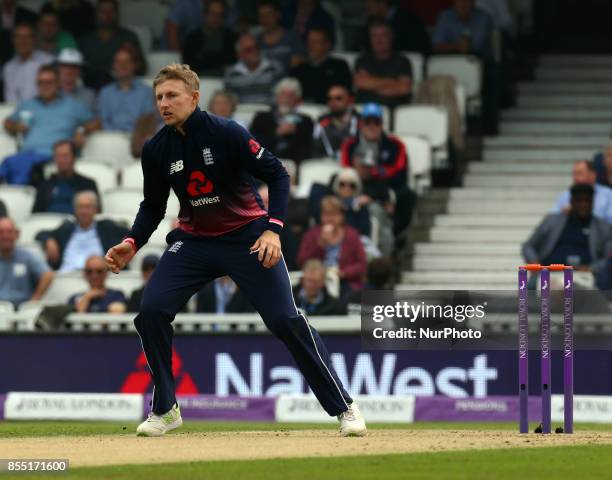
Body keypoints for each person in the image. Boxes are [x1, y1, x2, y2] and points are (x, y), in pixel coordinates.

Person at [103, 63, 365, 437]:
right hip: (194, 242)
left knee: (284, 320)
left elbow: (277, 174)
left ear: (194, 97)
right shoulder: (156, 148)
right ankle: (165, 408)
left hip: (247, 237)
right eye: (159, 97)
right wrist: (132, 242)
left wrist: (273, 230)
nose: (164, 103)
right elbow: (152, 207)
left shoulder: (226, 133)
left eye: (172, 95)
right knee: (150, 312)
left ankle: (345, 407)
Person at [2, 65, 97, 185]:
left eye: (49, 82)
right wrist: (16, 127)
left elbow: (96, 122)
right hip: (27, 157)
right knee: (9, 163)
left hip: (57, 158)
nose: (44, 86)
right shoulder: (27, 105)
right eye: (40, 82)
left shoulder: (73, 106)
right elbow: (7, 122)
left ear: (58, 83)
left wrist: (82, 130)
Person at [340, 102, 414, 235]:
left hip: (385, 186)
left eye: (377, 122)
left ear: (382, 124)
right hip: (356, 187)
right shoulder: (350, 145)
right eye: (368, 122)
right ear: (361, 124)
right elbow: (346, 171)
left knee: (406, 193)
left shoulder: (396, 145)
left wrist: (372, 171)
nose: (372, 126)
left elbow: (400, 175)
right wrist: (362, 173)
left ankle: (397, 235)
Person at [523, 184, 611, 289]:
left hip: (584, 276)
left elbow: (608, 258)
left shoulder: (602, 227)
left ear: (592, 203)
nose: (583, 205)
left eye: (587, 201)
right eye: (579, 201)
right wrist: (534, 262)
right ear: (572, 202)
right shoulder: (553, 221)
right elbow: (528, 246)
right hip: (550, 273)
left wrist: (591, 268)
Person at [40, 191, 128, 271]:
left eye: (88, 207)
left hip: (97, 276)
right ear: (74, 210)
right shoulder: (66, 229)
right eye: (80, 207)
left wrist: (124, 243)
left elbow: (129, 232)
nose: (84, 211)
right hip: (67, 275)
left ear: (95, 210)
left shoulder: (106, 227)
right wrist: (49, 240)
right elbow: (41, 234)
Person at [298, 195, 367, 292]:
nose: (330, 219)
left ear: (342, 216)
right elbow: (302, 261)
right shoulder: (312, 235)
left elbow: (361, 264)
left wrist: (344, 273)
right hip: (317, 281)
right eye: (326, 214)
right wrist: (320, 245)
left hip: (345, 281)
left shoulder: (352, 235)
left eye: (334, 215)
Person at [78, 0, 145, 89]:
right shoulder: (85, 40)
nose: (107, 15)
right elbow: (78, 70)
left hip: (121, 86)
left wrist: (131, 56)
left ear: (117, 13)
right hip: (91, 87)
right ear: (96, 14)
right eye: (103, 11)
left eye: (111, 11)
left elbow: (142, 69)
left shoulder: (128, 37)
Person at [250, 77, 314, 163]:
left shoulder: (306, 121)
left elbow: (308, 150)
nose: (286, 99)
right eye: (283, 94)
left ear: (297, 100)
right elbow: (253, 145)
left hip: (294, 165)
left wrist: (296, 132)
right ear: (277, 97)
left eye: (291, 95)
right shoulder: (261, 118)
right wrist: (276, 134)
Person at [354, 19, 413, 109]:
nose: (379, 39)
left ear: (391, 37)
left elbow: (404, 88)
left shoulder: (402, 61)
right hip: (365, 109)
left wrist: (371, 84)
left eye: (383, 35)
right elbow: (361, 82)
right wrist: (393, 82)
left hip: (394, 110)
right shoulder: (362, 60)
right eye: (375, 35)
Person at [97, 47, 155, 133]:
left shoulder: (147, 92)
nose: (122, 65)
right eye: (118, 62)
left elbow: (148, 120)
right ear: (113, 65)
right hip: (110, 137)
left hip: (137, 138)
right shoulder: (105, 92)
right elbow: (102, 121)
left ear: (134, 65)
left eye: (127, 61)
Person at [32, 140, 99, 214]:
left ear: (74, 158)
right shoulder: (45, 186)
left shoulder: (88, 185)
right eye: (58, 156)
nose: (61, 160)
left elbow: (95, 214)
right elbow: (36, 214)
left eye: (65, 156)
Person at [0, 216, 54, 307]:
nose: (5, 236)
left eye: (9, 232)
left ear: (17, 234)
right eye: (1, 232)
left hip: (22, 310)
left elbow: (48, 275)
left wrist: (34, 300)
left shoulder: (27, 256)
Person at [290, 27, 352, 104]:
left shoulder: (339, 66)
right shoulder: (299, 68)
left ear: (327, 45)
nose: (311, 46)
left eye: (316, 41)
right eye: (309, 41)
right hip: (303, 109)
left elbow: (344, 93)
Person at [224, 33, 283, 104]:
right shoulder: (231, 73)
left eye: (256, 47)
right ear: (239, 54)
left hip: (268, 111)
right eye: (249, 49)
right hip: (241, 112)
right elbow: (231, 100)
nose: (255, 51)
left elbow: (279, 96)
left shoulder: (275, 68)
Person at [181, 0, 236, 77]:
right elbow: (188, 68)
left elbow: (232, 65)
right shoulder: (192, 39)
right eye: (213, 14)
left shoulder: (231, 38)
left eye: (220, 15)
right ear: (205, 14)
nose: (217, 18)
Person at [2, 23, 55, 103]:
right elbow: (10, 98)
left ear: (34, 39)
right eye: (19, 37)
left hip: (45, 111)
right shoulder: (8, 68)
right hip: (18, 112)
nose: (23, 41)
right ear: (13, 40)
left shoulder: (48, 61)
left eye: (28, 36)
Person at [355, 0, 431, 54]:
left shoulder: (408, 19)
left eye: (369, 3)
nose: (366, 6)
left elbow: (420, 48)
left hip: (406, 64)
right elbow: (359, 45)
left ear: (382, 3)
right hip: (378, 63)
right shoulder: (371, 20)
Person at [312, 84, 360, 159]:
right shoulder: (321, 122)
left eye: (338, 98)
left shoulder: (360, 121)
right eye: (329, 98)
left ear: (349, 100)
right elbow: (315, 149)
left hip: (353, 164)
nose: (333, 102)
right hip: (327, 164)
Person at [256, 0, 303, 74]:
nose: (265, 18)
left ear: (278, 14)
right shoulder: (255, 41)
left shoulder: (292, 38)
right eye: (261, 15)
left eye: (269, 14)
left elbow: (297, 69)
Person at [56, 48, 96, 112]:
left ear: (80, 71)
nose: (69, 70)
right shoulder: (50, 94)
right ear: (58, 68)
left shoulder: (89, 96)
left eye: (74, 67)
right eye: (65, 66)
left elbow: (96, 120)